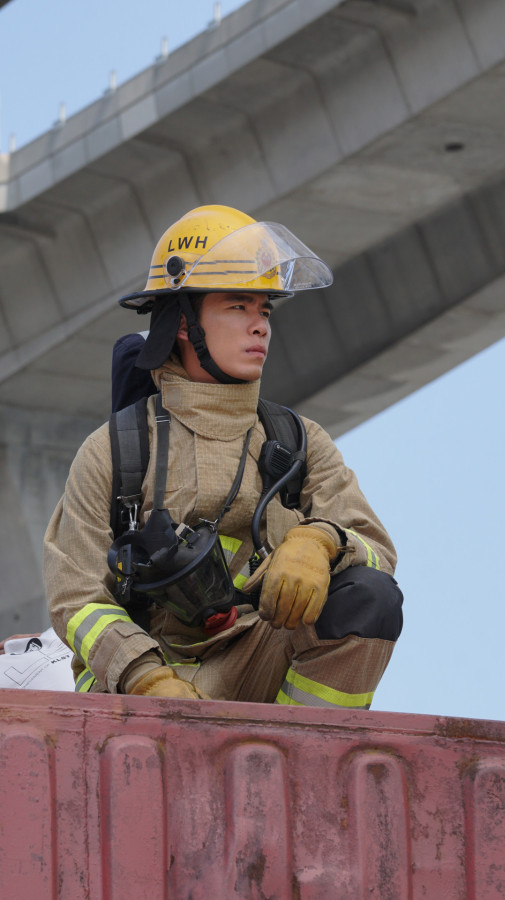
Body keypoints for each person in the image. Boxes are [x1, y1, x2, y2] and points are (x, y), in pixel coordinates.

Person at [44, 205, 403, 706]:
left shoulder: (299, 440)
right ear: (184, 324)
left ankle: (301, 758)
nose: (260, 327)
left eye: (265, 310)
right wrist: (144, 676)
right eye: (238, 307)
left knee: (369, 596)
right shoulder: (116, 448)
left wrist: (320, 542)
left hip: (259, 660)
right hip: (145, 684)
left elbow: (376, 551)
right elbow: (77, 599)